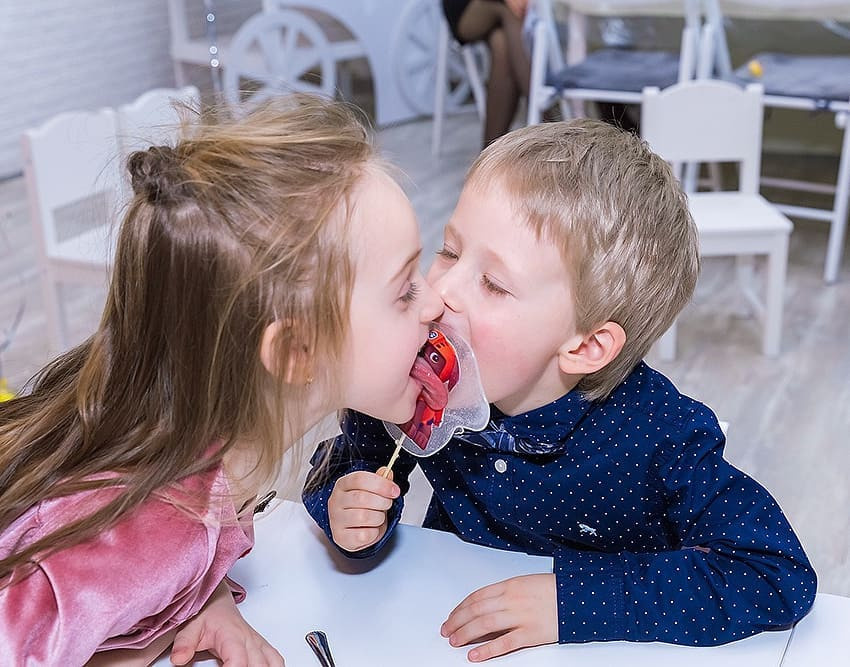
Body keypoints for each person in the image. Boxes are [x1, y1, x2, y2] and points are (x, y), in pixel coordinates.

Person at [302, 118, 817, 662]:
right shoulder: (415, 377)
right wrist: (347, 513)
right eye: (450, 252)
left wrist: (574, 601)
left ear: (586, 347)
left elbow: (775, 573)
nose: (441, 292)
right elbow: (347, 465)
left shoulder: (662, 435)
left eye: (494, 284)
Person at [0, 95, 442, 665]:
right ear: (295, 351)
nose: (435, 302)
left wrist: (200, 600)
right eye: (405, 290)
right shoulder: (158, 527)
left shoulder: (199, 457)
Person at [442, 0, 532, 146]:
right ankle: (550, 121)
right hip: (464, 7)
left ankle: (488, 154)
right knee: (510, 12)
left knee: (501, 44)